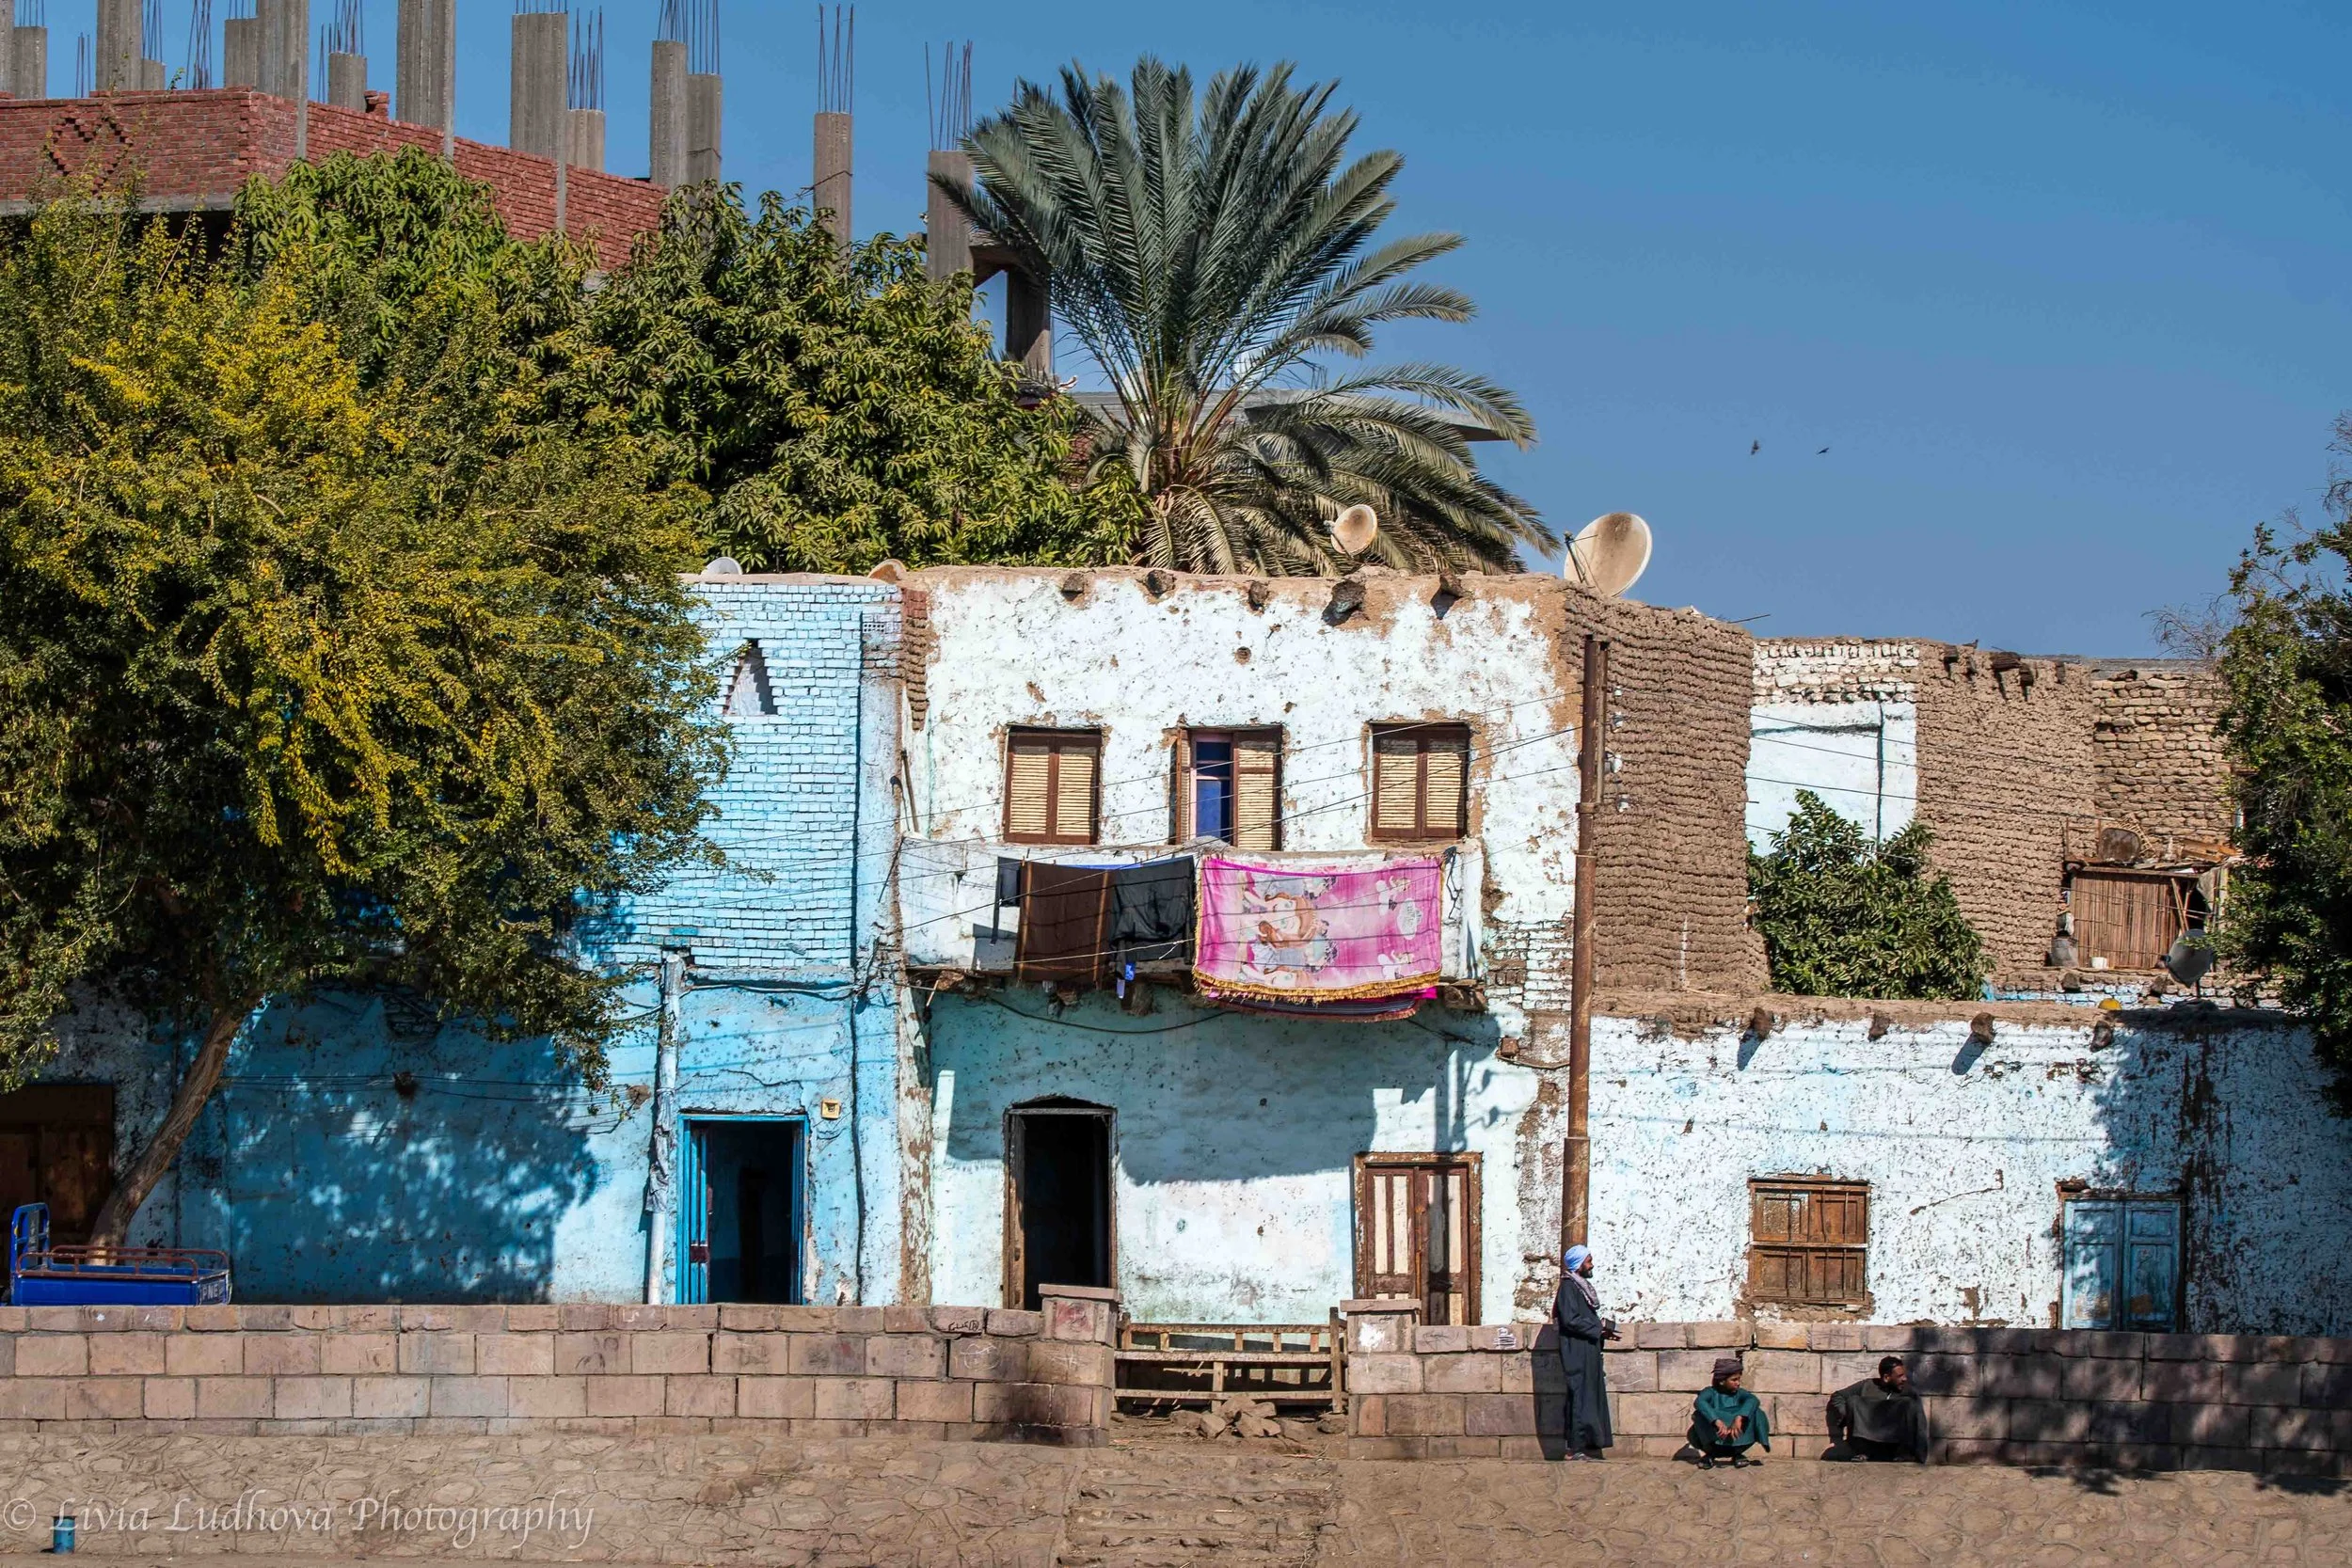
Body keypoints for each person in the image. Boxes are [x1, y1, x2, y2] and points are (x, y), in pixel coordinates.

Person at [1551, 1243, 1619, 1460]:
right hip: (1576, 1353)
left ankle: (1584, 1447)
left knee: (1588, 1397)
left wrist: (1602, 1331)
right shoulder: (1569, 1288)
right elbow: (1571, 1320)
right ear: (1579, 1264)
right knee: (1580, 1398)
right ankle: (1575, 1449)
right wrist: (1597, 1328)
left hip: (1586, 1350)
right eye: (1588, 1261)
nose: (1591, 1265)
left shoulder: (1578, 1287)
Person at [1825, 1355, 1930, 1463]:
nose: (1905, 1379)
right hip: (1869, 1446)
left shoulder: (1908, 1393)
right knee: (1853, 1401)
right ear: (1886, 1377)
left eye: (1904, 1375)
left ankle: (1904, 1454)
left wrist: (1920, 1455)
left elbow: (1920, 1425)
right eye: (1900, 1376)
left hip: (1895, 1447)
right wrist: (1846, 1413)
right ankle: (1862, 1452)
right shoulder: (1867, 1386)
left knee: (1909, 1404)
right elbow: (1838, 1396)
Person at [1687, 1357, 1771, 1468]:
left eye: (1739, 1379)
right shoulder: (1710, 1392)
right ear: (1722, 1381)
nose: (1738, 1383)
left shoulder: (1740, 1393)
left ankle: (1737, 1454)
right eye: (1734, 1380)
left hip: (1736, 1439)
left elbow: (1752, 1400)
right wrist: (1716, 1420)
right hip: (1715, 1437)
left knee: (1756, 1412)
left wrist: (1739, 1417)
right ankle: (1710, 1455)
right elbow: (1700, 1402)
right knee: (1699, 1415)